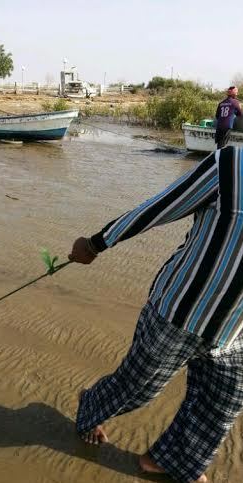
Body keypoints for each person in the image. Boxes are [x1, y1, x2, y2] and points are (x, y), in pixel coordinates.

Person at [68, 145, 243, 483]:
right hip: (180, 311)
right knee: (137, 388)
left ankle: (166, 459)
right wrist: (95, 243)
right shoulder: (230, 165)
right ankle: (90, 407)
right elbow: (159, 208)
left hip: (235, 330)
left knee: (221, 403)